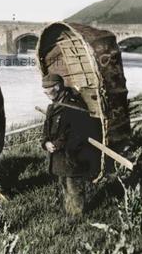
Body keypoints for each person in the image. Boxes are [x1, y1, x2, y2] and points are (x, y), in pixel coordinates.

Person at [41, 73, 100, 216]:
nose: (46, 93)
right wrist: (46, 142)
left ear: (58, 87)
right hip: (59, 158)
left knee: (74, 188)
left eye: (49, 90)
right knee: (64, 187)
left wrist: (58, 144)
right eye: (45, 90)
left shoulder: (74, 105)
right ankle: (69, 214)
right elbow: (46, 129)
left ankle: (78, 218)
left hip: (73, 157)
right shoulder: (53, 106)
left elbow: (78, 134)